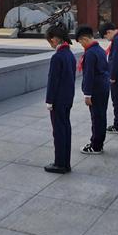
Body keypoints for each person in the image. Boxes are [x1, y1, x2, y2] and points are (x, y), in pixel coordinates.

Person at [44, 25, 75, 174]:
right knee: (65, 129)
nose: (50, 44)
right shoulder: (70, 54)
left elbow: (53, 81)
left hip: (58, 99)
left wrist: (49, 100)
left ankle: (60, 163)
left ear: (55, 39)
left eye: (50, 40)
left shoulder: (57, 57)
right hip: (68, 97)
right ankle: (65, 162)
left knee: (58, 131)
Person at [76, 25, 110, 155]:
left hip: (96, 89)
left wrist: (87, 94)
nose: (81, 45)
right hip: (104, 86)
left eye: (81, 42)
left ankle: (96, 145)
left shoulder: (90, 53)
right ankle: (98, 143)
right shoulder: (99, 49)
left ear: (84, 39)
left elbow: (89, 75)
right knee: (101, 116)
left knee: (96, 118)